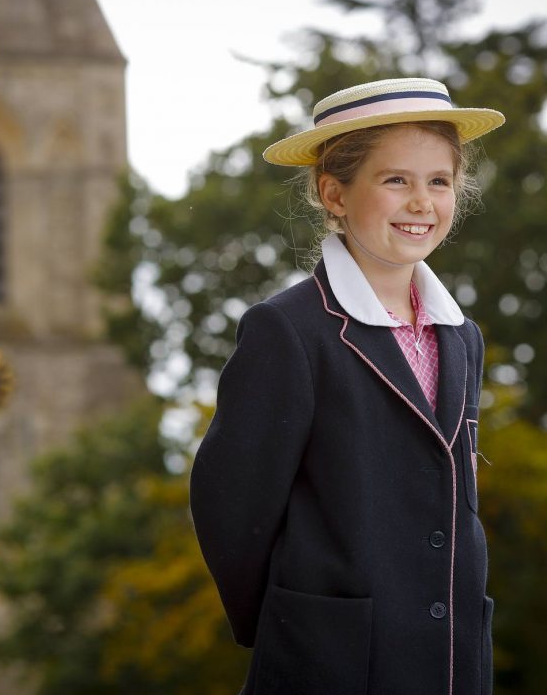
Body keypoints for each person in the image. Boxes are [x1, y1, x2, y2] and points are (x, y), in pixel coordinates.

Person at [189, 77, 505, 695]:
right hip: (331, 664)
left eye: (438, 181)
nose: (421, 202)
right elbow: (231, 508)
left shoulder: (462, 336)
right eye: (396, 180)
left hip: (451, 663)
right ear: (333, 192)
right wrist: (297, 616)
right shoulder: (288, 330)